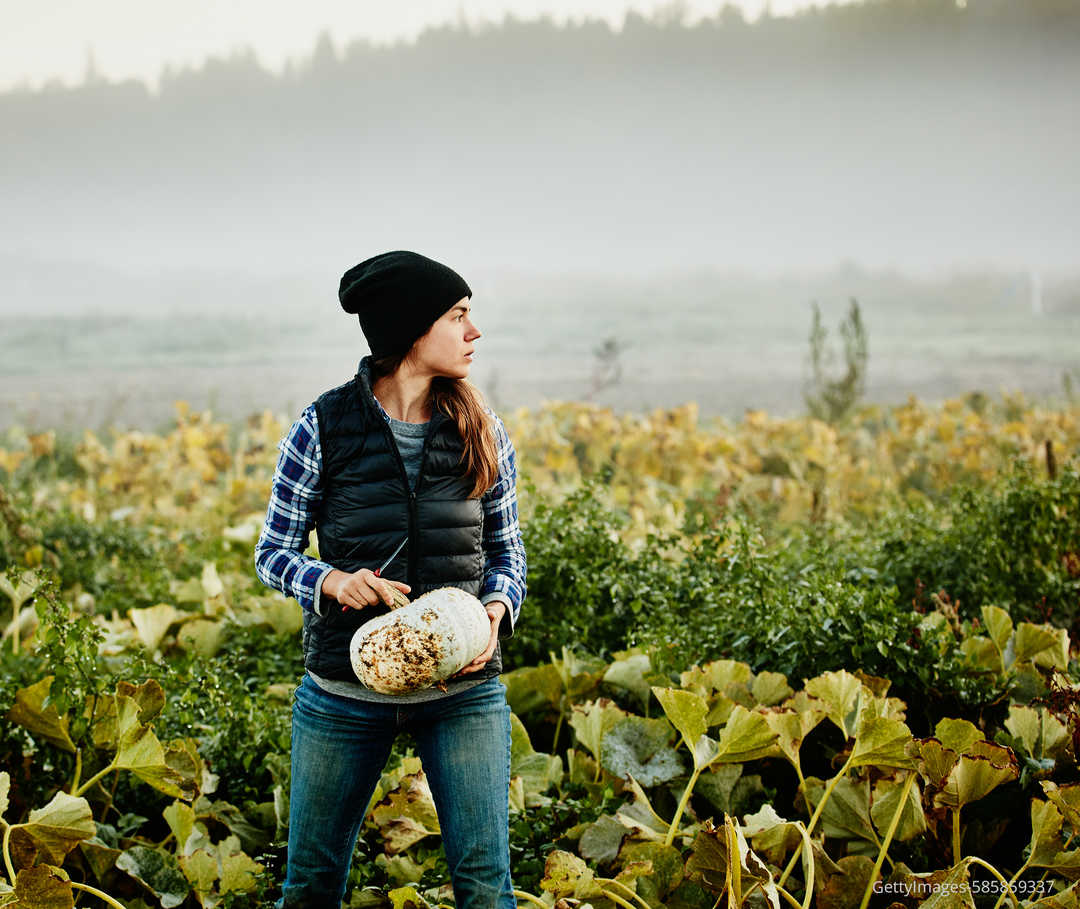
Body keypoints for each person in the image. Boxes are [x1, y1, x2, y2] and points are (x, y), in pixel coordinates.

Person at [254, 250, 527, 909]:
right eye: (459, 315)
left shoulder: (481, 429)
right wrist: (331, 580)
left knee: (487, 890)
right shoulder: (321, 427)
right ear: (411, 329)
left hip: (463, 692)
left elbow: (507, 556)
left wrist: (494, 611)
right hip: (342, 691)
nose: (474, 332)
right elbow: (273, 552)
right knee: (311, 887)